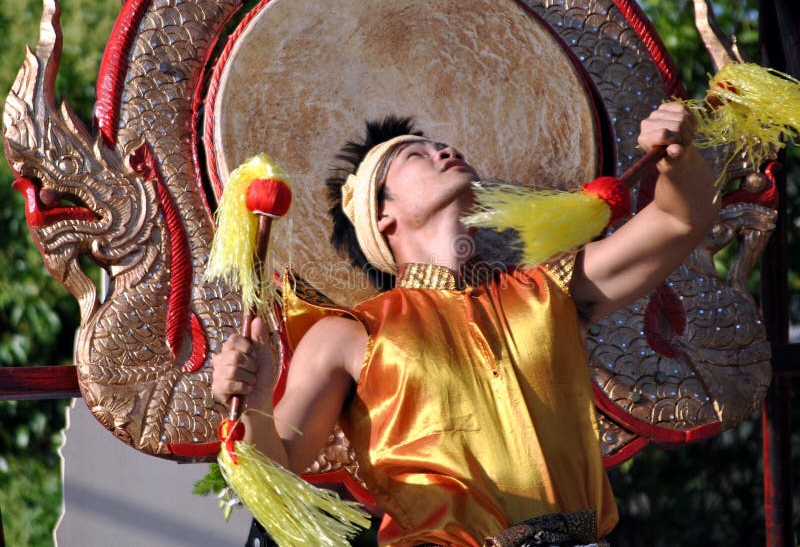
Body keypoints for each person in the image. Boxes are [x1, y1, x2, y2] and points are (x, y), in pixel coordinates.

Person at [211, 102, 718, 546]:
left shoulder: (547, 292)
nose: (443, 150)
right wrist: (254, 401)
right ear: (381, 215)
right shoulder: (349, 333)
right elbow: (281, 469)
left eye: (440, 144)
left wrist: (678, 157)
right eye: (417, 154)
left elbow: (677, 221)